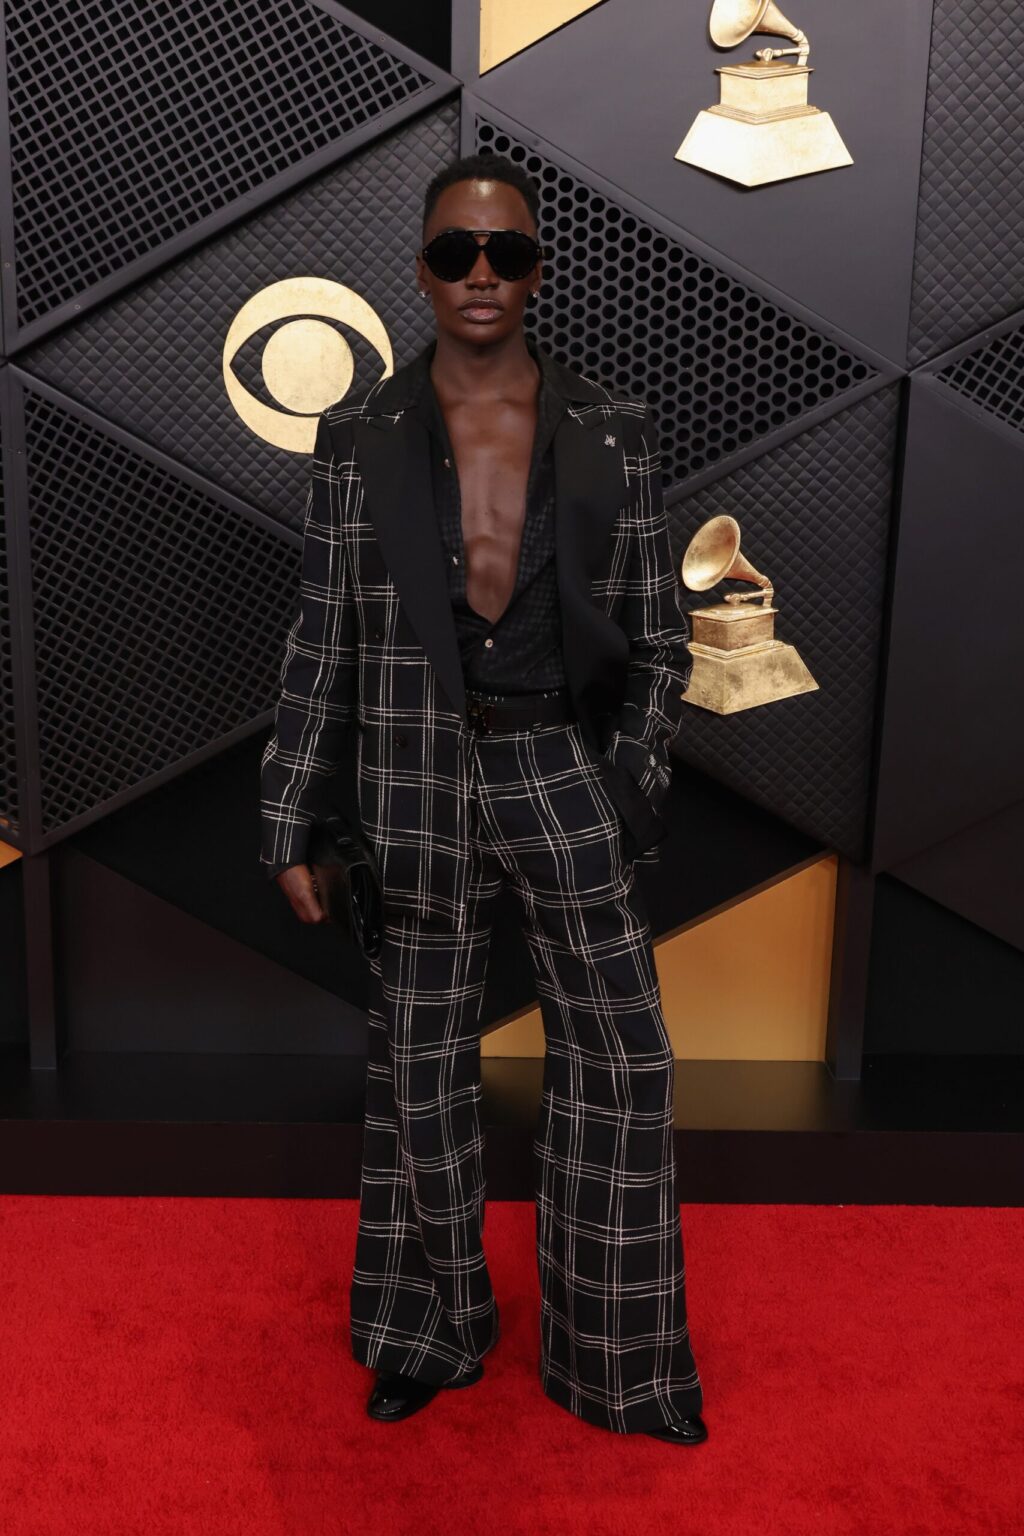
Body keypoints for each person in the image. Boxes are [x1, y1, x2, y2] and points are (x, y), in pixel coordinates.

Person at [259, 152, 707, 1446]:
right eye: (456, 252)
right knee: (421, 1074)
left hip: (561, 769)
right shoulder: (360, 444)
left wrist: (629, 786)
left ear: (536, 273)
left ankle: (619, 1363)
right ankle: (427, 1334)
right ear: (420, 268)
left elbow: (662, 637)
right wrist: (293, 813)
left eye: (505, 254)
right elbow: (319, 643)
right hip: (409, 785)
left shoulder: (612, 431)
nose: (479, 276)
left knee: (625, 1062)